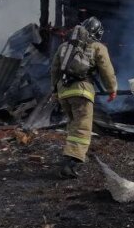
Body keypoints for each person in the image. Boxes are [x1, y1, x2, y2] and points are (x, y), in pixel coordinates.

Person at [49, 17, 117, 178]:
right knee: (82, 127)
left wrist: (55, 91)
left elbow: (54, 70)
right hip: (81, 92)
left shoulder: (64, 47)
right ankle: (70, 163)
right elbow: (106, 70)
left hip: (64, 92)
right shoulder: (97, 47)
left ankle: (74, 154)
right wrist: (112, 89)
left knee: (74, 125)